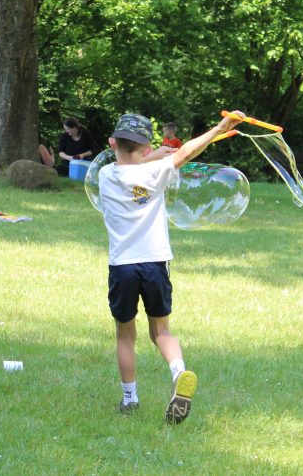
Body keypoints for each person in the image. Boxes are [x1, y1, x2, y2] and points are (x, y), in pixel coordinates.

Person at [99, 110, 242, 423]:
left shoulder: (105, 175)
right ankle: (179, 373)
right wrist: (220, 127)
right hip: (154, 263)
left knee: (125, 336)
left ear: (112, 143)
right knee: (161, 331)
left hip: (122, 266)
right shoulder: (156, 172)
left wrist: (150, 158)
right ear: (147, 148)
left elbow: (129, 166)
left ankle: (130, 399)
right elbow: (187, 151)